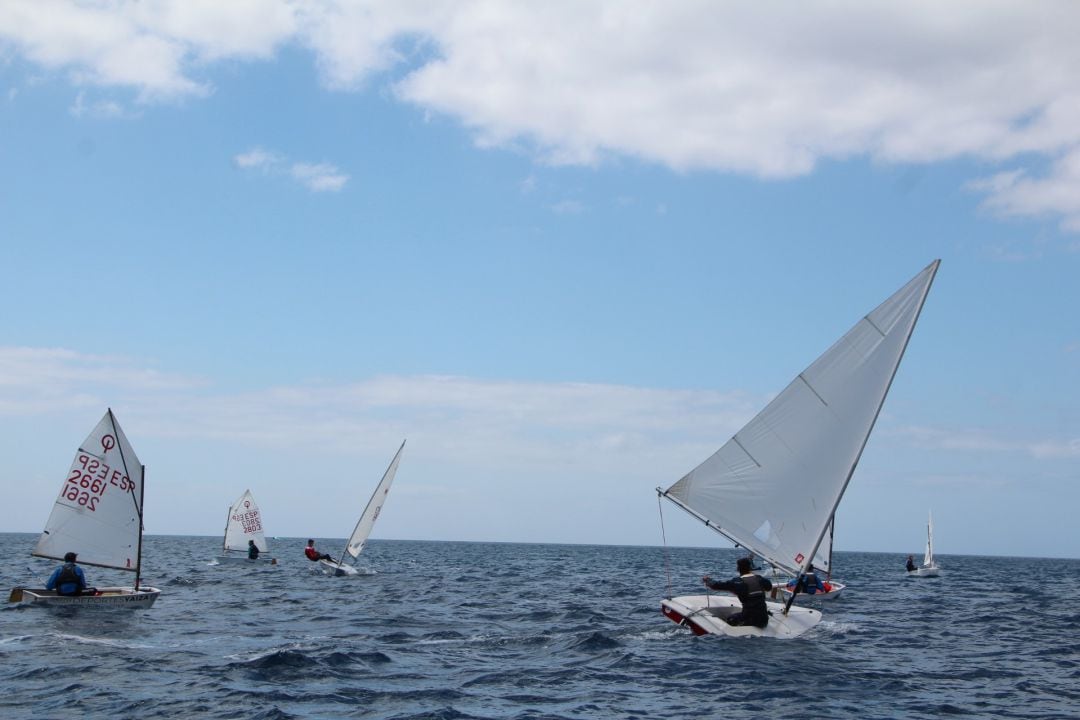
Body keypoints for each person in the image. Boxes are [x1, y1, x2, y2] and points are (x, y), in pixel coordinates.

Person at [702, 557, 773, 628]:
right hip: (764, 619)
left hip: (749, 619)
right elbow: (769, 587)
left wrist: (707, 580)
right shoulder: (760, 579)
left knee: (731, 619)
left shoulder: (737, 582)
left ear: (738, 568)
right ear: (750, 568)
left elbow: (715, 585)